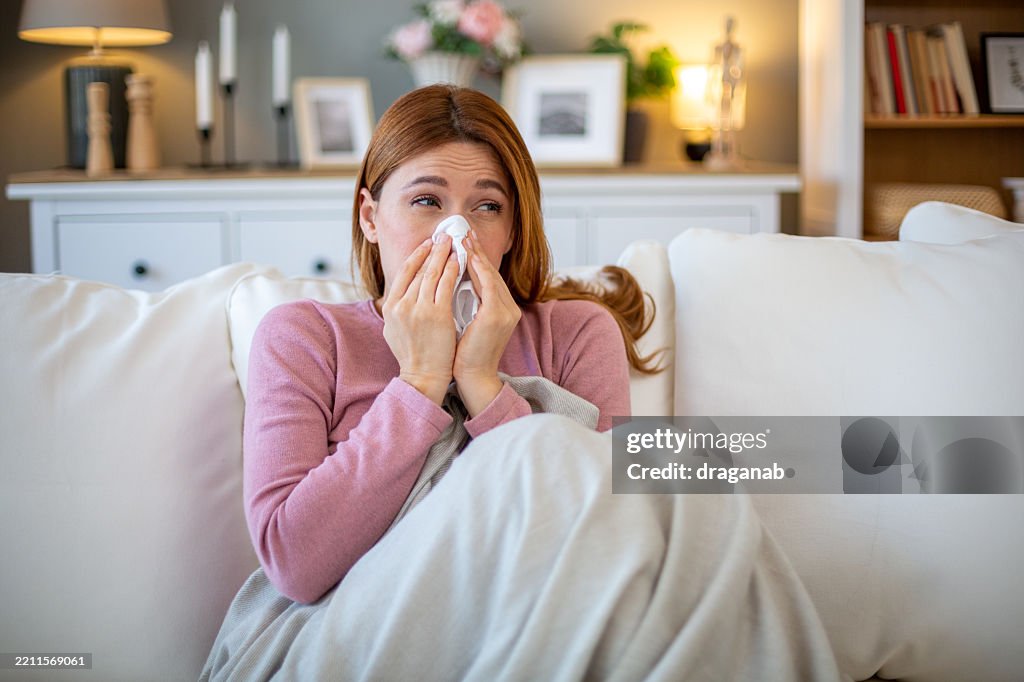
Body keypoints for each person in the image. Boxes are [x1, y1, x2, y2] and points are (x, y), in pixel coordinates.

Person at [244, 84, 660, 604]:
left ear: (511, 230)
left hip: (538, 609)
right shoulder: (304, 337)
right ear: (370, 217)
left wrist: (483, 383)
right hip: (375, 615)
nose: (457, 234)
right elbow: (294, 565)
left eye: (487, 206)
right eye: (426, 200)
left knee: (708, 499)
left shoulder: (578, 333)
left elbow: (603, 535)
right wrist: (419, 382)